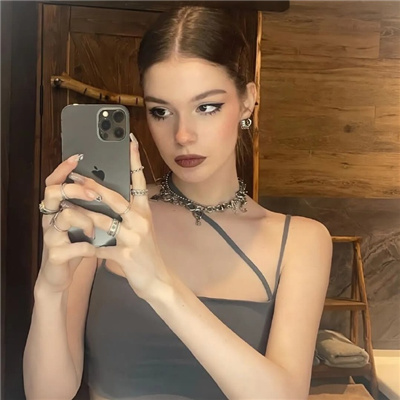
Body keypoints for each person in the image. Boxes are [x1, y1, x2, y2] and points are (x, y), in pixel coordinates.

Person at [23, 6, 332, 400]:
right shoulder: (110, 216)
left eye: (206, 107)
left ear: (247, 101)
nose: (183, 135)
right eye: (161, 111)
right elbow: (47, 394)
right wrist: (49, 291)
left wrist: (160, 286)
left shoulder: (300, 241)